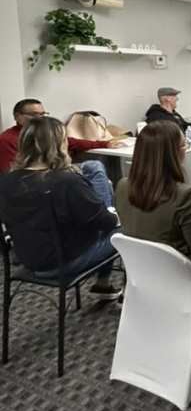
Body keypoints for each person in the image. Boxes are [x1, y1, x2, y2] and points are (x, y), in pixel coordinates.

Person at [0, 117, 121, 299]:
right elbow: (106, 223)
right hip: (64, 262)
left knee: (93, 168)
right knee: (125, 232)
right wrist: (113, 215)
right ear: (59, 144)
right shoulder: (66, 182)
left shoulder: (6, 182)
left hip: (29, 259)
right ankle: (104, 284)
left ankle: (103, 285)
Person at [114, 121, 191, 298]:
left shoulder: (123, 187)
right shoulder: (183, 195)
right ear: (173, 153)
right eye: (183, 144)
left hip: (141, 273)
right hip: (179, 275)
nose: (185, 148)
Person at [0, 98, 120, 175]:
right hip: (41, 177)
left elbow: (71, 142)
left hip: (54, 171)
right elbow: (10, 173)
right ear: (17, 116)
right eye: (34, 115)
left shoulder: (47, 132)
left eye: (43, 114)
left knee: (96, 166)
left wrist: (104, 144)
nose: (40, 119)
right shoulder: (7, 139)